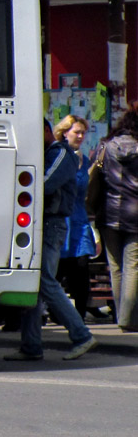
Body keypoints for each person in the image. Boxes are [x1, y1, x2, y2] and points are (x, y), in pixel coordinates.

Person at [5, 120, 97, 360]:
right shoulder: (49, 152)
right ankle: (31, 346)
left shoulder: (60, 153)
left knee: (45, 281)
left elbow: (44, 184)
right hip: (43, 224)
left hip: (51, 224)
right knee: (35, 285)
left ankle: (82, 335)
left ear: (47, 132)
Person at [92, 104, 138, 331]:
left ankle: (121, 316)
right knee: (133, 266)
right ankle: (128, 320)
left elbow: (96, 174)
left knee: (116, 267)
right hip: (135, 214)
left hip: (108, 213)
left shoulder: (104, 147)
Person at [53, 115, 100, 322]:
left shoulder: (85, 160)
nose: (80, 136)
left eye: (83, 132)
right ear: (65, 132)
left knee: (81, 270)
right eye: (76, 132)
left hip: (79, 222)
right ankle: (54, 314)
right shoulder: (57, 155)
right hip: (61, 219)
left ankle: (79, 319)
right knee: (58, 272)